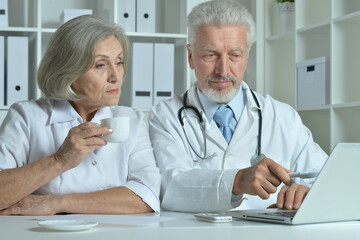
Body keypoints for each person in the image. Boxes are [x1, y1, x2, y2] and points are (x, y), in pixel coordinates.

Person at [148, 0, 327, 213]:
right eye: (210, 55)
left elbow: (327, 177)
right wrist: (237, 180)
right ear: (190, 57)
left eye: (235, 55)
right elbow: (169, 188)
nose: (223, 69)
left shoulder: (282, 117)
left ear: (246, 57)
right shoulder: (165, 116)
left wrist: (307, 191)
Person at [0, 15, 160, 215]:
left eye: (119, 62)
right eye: (100, 65)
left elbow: (147, 196)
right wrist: (59, 160)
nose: (116, 76)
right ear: (68, 71)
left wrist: (57, 202)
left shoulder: (133, 120)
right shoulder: (27, 117)